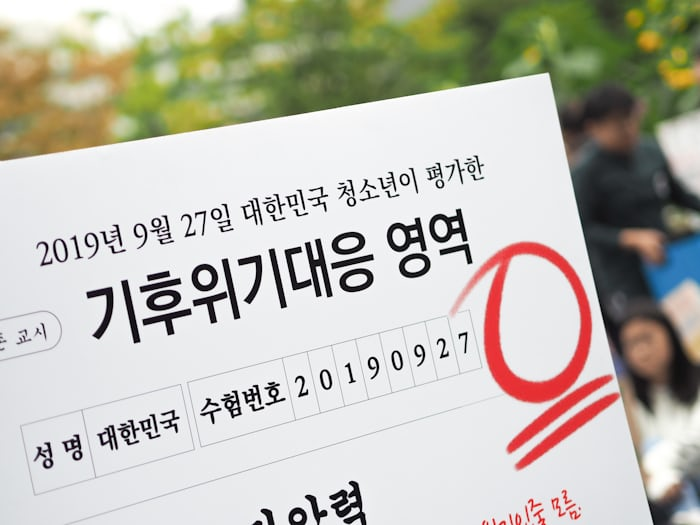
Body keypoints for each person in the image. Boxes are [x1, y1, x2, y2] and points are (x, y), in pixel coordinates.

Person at [571, 84, 700, 330]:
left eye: (631, 120)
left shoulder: (650, 152)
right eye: (619, 125)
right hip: (623, 276)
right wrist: (629, 238)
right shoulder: (586, 173)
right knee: (648, 334)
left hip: (664, 262)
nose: (629, 130)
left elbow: (678, 194)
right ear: (594, 128)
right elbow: (583, 229)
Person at [617, 300, 700, 524]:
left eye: (646, 338)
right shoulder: (634, 404)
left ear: (669, 333)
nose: (641, 352)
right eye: (630, 345)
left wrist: (660, 468)